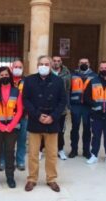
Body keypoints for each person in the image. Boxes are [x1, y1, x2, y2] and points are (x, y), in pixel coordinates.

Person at [23, 55, 66, 192]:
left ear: (50, 65)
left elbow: (62, 101)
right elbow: (26, 100)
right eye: (41, 64)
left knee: (52, 153)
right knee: (33, 153)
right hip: (36, 121)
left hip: (52, 122)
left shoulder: (59, 81)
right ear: (37, 65)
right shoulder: (29, 80)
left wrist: (53, 117)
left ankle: (51, 179)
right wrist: (37, 115)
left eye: (46, 64)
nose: (44, 66)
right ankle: (32, 179)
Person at [0, 66, 23, 189]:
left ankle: (10, 178)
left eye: (6, 75)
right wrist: (1, 126)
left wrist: (10, 126)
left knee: (9, 153)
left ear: (10, 76)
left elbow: (19, 111)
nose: (4, 77)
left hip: (12, 128)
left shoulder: (16, 91)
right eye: (1, 75)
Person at [39, 56, 72, 161]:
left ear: (61, 62)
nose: (56, 63)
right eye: (54, 61)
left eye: (58, 61)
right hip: (45, 107)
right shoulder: (45, 73)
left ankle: (60, 149)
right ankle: (40, 149)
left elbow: (67, 89)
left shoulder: (67, 74)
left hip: (60, 109)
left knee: (60, 130)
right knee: (43, 129)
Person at [0, 60, 27, 171]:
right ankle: (2, 161)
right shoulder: (6, 81)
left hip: (22, 116)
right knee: (4, 140)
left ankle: (20, 161)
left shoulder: (27, 81)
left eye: (20, 67)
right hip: (7, 116)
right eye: (15, 66)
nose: (17, 68)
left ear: (23, 68)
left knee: (21, 139)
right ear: (11, 68)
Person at [69, 58, 98, 159]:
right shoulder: (72, 75)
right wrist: (69, 104)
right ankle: (74, 150)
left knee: (87, 129)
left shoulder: (95, 76)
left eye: (86, 63)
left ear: (89, 64)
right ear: (78, 64)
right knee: (75, 128)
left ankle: (86, 151)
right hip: (75, 105)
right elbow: (69, 89)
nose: (84, 64)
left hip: (88, 106)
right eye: (81, 63)